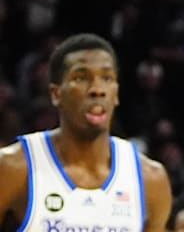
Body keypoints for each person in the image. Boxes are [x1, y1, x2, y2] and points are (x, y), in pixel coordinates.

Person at [0, 32, 173, 231]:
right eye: (81, 78)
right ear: (56, 94)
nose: (97, 89)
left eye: (106, 78)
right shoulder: (13, 168)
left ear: (115, 93)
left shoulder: (150, 179)